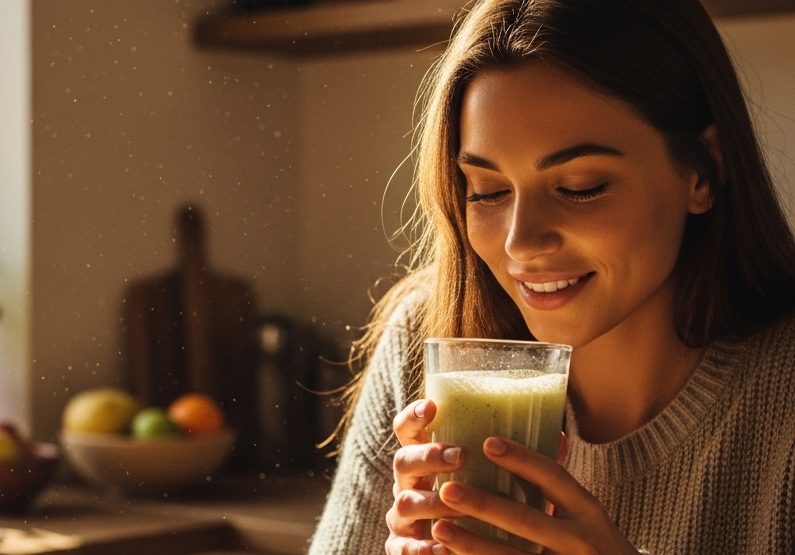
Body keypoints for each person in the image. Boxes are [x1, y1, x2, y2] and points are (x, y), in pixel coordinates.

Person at [307, 0, 795, 553]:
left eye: (581, 186)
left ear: (702, 173)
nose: (520, 242)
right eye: (487, 191)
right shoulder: (424, 340)